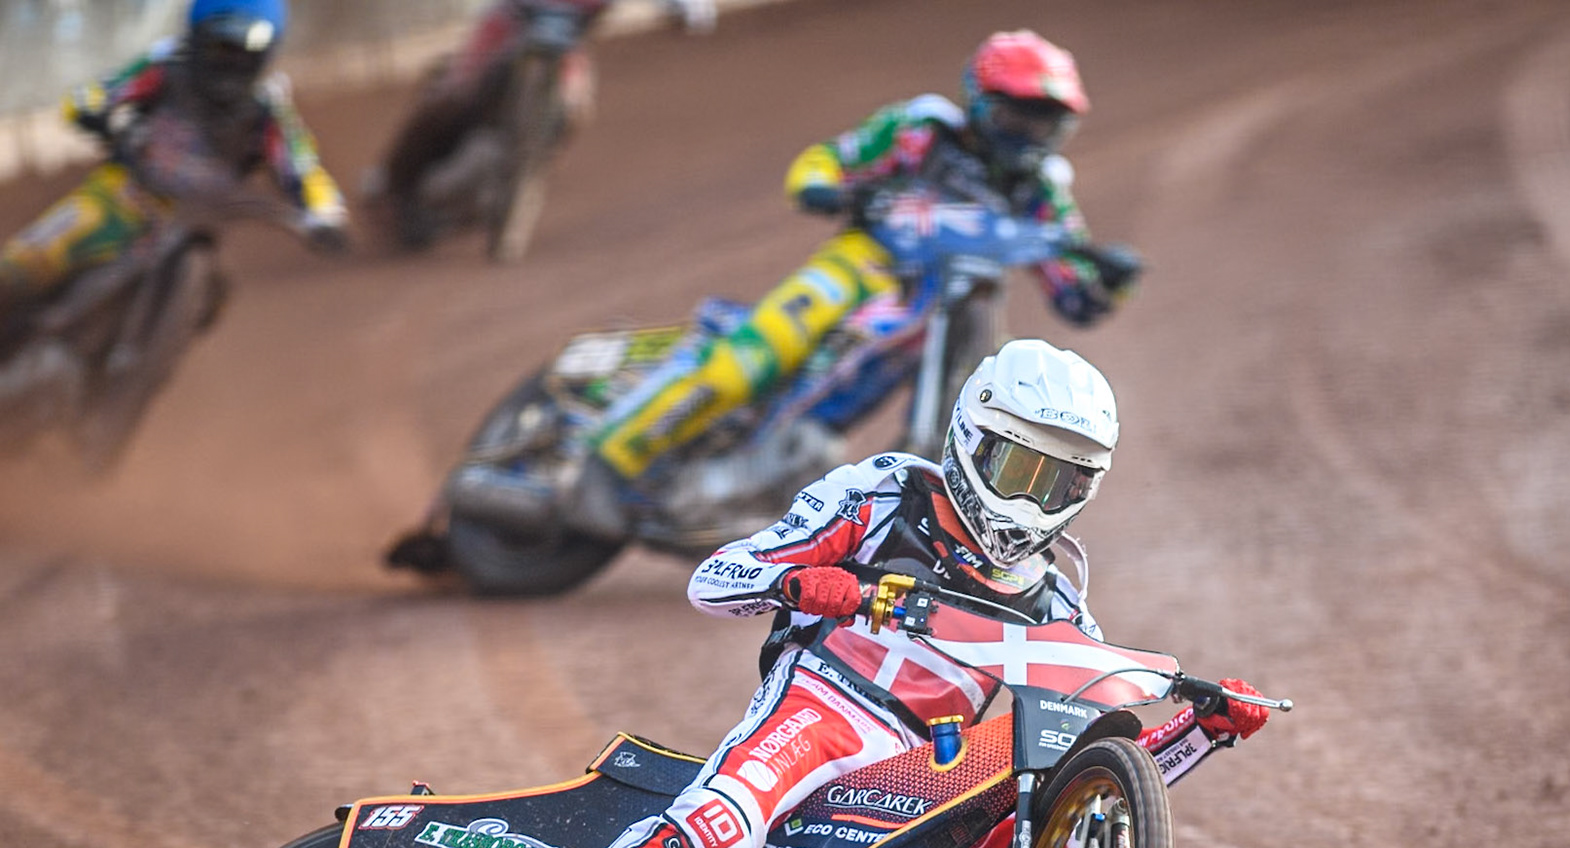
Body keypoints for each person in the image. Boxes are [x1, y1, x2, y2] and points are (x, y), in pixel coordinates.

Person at [411, 339, 1274, 848]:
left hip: (921, 767)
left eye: (1060, 481)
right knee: (714, 833)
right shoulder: (884, 491)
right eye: (1019, 468)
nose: (1030, 500)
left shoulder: (1056, 603)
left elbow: (1096, 772)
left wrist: (1198, 728)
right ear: (973, 438)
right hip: (819, 710)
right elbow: (716, 579)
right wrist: (808, 581)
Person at [585, 28, 1142, 486]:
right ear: (980, 101)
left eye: (1045, 121)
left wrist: (1113, 280)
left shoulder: (1044, 191)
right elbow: (829, 161)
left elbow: (1077, 296)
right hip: (861, 268)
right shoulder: (923, 129)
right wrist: (826, 188)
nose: (1029, 134)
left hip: (948, 304)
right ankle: (607, 460)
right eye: (1018, 116)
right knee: (746, 364)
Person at [0, 0, 347, 356]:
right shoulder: (166, 67)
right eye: (220, 44)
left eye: (247, 47)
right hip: (120, 200)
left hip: (192, 228)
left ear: (267, 49)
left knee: (211, 302)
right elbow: (97, 94)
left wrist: (325, 215)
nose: (232, 58)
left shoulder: (268, 109)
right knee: (22, 264)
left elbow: (303, 169)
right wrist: (93, 111)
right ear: (197, 37)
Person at [372, 0, 712, 249]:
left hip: (564, 50)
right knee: (455, 92)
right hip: (510, 25)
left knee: (574, 114)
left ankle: (526, 177)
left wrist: (688, 10)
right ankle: (392, 183)